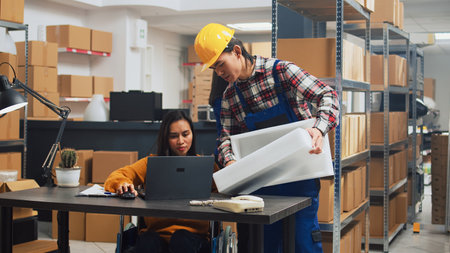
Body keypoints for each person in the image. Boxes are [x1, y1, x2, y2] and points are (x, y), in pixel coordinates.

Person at [195, 23, 339, 253]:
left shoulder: (282, 72)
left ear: (237, 52)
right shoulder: (229, 96)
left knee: (303, 245)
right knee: (265, 247)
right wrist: (230, 161)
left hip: (300, 179)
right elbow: (224, 138)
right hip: (262, 186)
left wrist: (319, 129)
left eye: (220, 64)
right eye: (214, 69)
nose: (219, 73)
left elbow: (327, 94)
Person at [104, 110, 213, 253]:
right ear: (165, 138)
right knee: (148, 241)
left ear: (192, 134)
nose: (181, 141)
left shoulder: (205, 165)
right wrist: (122, 184)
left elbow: (225, 187)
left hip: (194, 238)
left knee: (181, 239)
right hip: (155, 237)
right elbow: (117, 175)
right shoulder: (150, 163)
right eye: (174, 136)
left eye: (185, 134)